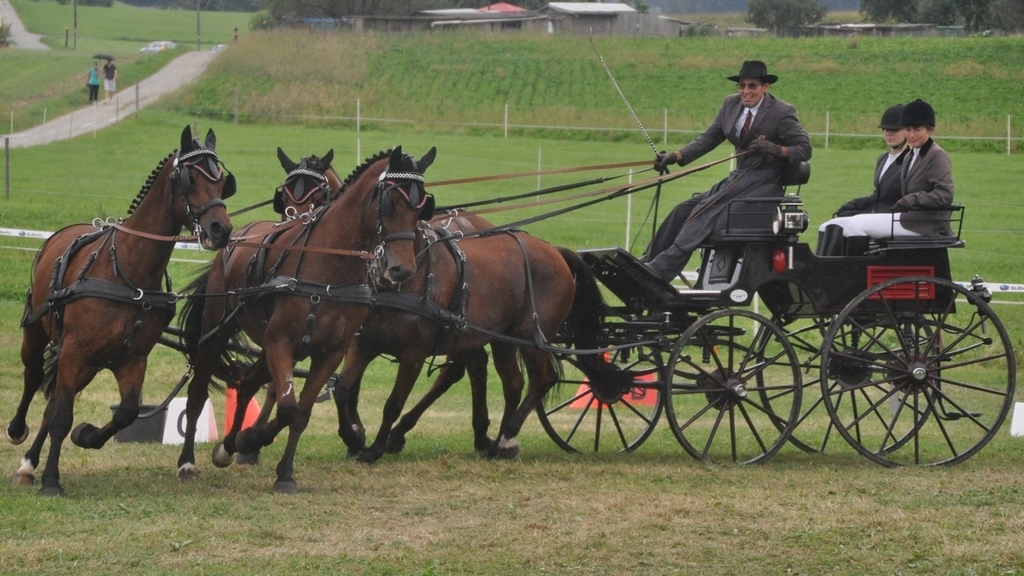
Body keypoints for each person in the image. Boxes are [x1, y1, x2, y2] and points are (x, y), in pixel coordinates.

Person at [644, 60, 812, 282]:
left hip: (765, 182)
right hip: (738, 178)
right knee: (682, 210)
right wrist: (675, 156)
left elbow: (804, 149)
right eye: (742, 86)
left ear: (765, 87)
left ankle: (662, 269)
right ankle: (646, 264)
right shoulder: (730, 105)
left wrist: (774, 148)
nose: (746, 91)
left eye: (752, 86)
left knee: (705, 210)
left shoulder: (781, 112)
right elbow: (710, 138)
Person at [814, 99, 953, 255]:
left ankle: (853, 273)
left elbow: (945, 194)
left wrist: (912, 199)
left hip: (924, 223)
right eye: (907, 129)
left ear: (930, 130)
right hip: (907, 218)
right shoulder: (912, 155)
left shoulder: (937, 155)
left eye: (917, 129)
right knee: (830, 226)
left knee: (857, 224)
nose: (912, 135)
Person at [817, 104, 910, 255]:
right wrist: (854, 205)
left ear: (906, 131)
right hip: (878, 212)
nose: (889, 134)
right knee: (829, 225)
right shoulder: (883, 158)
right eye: (885, 130)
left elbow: (898, 197)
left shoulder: (909, 160)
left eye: (894, 130)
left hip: (892, 216)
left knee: (853, 225)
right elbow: (879, 194)